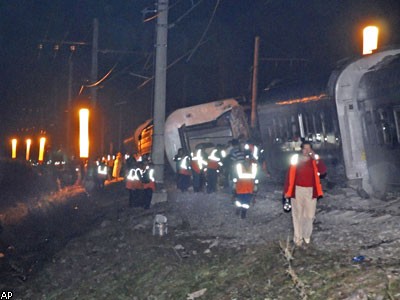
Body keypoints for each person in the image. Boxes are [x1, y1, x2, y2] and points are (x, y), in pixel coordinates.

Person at [283, 141, 327, 248]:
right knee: (297, 215)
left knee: (309, 215)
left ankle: (306, 234)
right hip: (297, 190)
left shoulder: (314, 161)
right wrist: (286, 192)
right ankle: (298, 238)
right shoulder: (295, 160)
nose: (306, 151)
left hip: (311, 190)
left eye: (309, 149)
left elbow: (323, 170)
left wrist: (316, 158)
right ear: (301, 149)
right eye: (304, 148)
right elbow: (289, 176)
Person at [233, 151, 259, 219]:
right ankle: (241, 212)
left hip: (243, 187)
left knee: (243, 201)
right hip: (247, 187)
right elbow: (256, 177)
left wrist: (235, 185)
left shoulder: (240, 165)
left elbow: (235, 176)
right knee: (243, 201)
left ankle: (241, 212)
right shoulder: (253, 166)